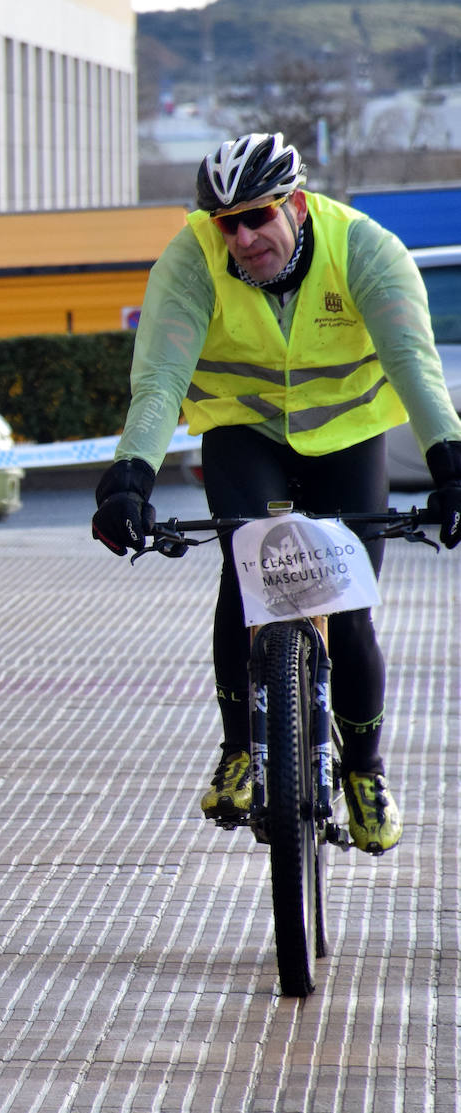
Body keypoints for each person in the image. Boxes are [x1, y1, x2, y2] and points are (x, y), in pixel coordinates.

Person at [91, 132, 461, 855]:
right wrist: (129, 475)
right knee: (248, 570)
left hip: (347, 436)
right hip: (243, 432)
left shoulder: (364, 249)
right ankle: (239, 748)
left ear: (293, 204)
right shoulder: (192, 260)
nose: (244, 236)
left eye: (258, 215)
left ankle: (363, 770)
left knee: (347, 610)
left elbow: (414, 363)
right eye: (227, 222)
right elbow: (160, 378)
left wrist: (449, 464)